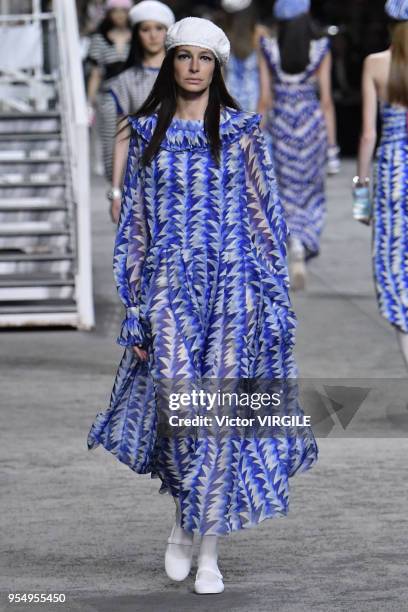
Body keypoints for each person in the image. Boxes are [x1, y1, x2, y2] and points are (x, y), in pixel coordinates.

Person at [87, 17, 318, 594]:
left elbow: (266, 217)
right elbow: (135, 226)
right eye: (183, 56)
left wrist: (276, 298)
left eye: (205, 58)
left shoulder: (242, 131)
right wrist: (134, 304)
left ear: (217, 66)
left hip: (232, 293)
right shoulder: (144, 132)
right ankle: (183, 521)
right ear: (171, 62)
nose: (193, 67)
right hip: (169, 292)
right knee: (180, 416)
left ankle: (207, 547)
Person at [258, 0, 339, 290]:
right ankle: (304, 242)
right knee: (312, 193)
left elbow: (264, 100)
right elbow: (327, 101)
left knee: (285, 190)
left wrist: (252, 139)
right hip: (311, 127)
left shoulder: (268, 49)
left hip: (282, 127)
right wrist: (332, 150)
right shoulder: (320, 50)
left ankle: (292, 239)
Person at [355, 0, 408, 370]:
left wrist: (361, 198)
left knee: (392, 269)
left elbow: (368, 135)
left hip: (391, 171)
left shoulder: (375, 64)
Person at [107, 1, 175, 223]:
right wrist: (116, 190)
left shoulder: (187, 75)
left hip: (184, 170)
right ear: (137, 34)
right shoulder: (125, 81)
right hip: (142, 175)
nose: (153, 36)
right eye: (146, 29)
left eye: (159, 28)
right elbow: (122, 135)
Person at [86, 0, 133, 182]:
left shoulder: (138, 37)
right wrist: (89, 102)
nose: (120, 15)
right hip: (109, 97)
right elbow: (96, 73)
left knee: (135, 141)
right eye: (115, 11)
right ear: (109, 14)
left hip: (135, 96)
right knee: (110, 143)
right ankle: (114, 184)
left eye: (124, 11)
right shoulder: (100, 40)